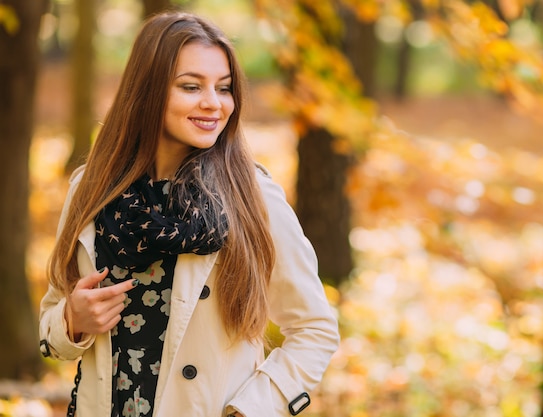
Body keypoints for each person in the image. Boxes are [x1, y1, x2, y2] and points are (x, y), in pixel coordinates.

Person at [38, 11, 339, 417]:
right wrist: (72, 319)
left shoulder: (251, 197)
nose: (214, 104)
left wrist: (249, 410)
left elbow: (314, 330)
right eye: (191, 86)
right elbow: (52, 325)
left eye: (225, 88)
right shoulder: (91, 190)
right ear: (147, 92)